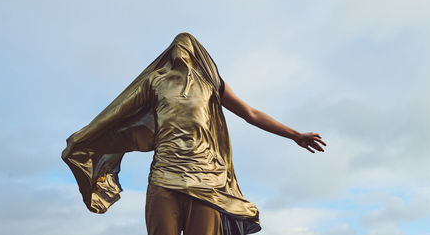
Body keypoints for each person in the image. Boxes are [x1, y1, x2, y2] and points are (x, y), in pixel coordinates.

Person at [62, 33, 326, 235]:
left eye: (187, 44)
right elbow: (117, 113)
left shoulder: (211, 83)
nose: (181, 46)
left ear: (197, 53)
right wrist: (84, 137)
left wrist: (294, 134)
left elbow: (250, 112)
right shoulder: (155, 81)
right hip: (165, 176)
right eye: (177, 44)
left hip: (207, 180)